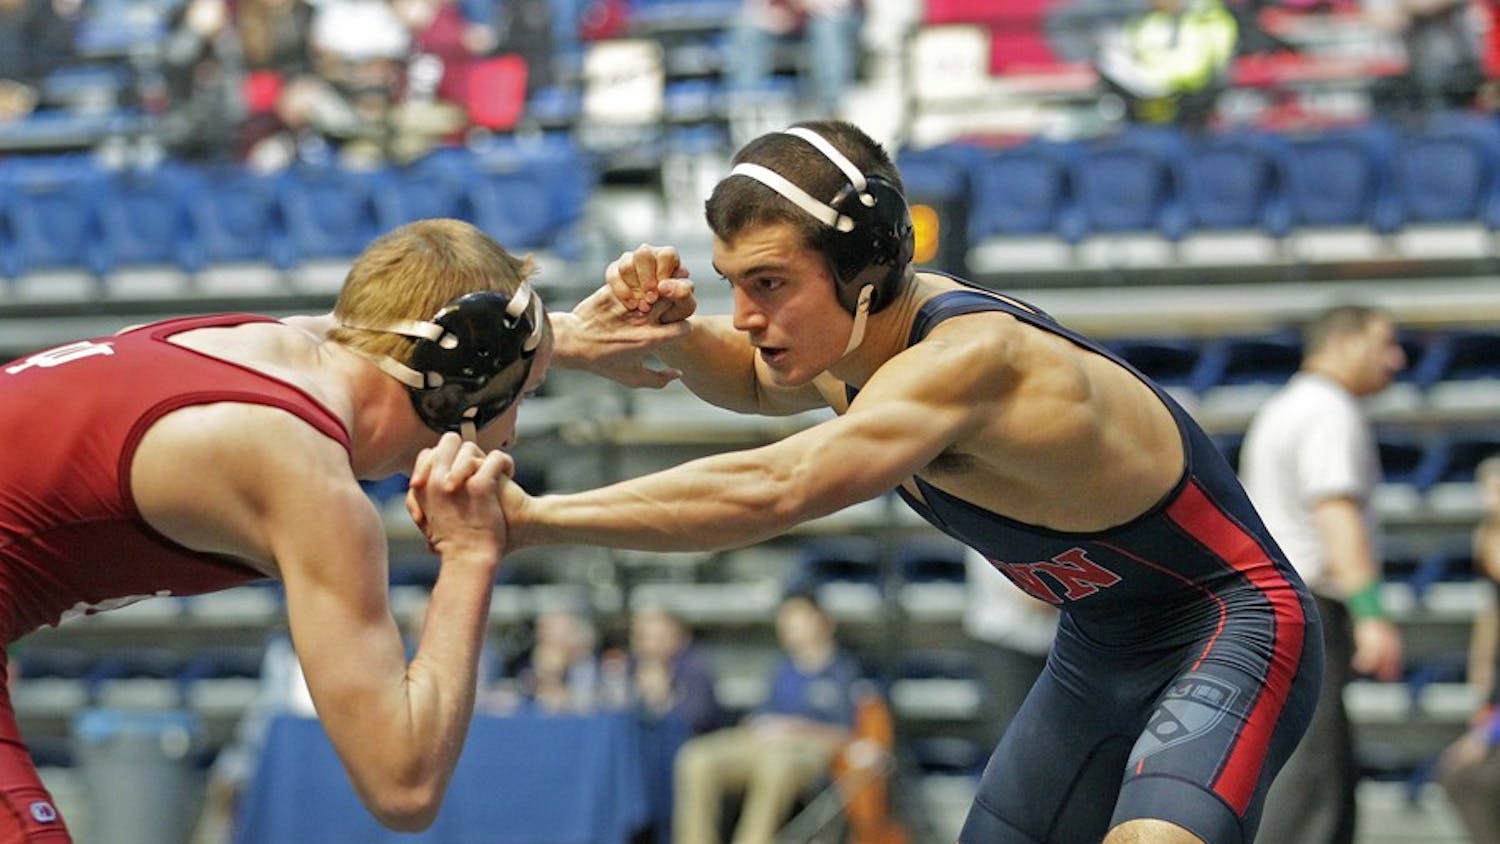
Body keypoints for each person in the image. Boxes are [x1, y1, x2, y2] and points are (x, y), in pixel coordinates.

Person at [475, 120, 1323, 844]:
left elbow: (777, 488)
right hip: (1101, 646)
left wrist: (532, 518)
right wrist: (653, 334)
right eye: (733, 285)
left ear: (866, 265)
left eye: (769, 284)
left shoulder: (970, 360)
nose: (744, 316)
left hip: (1229, 625)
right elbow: (755, 381)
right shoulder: (855, 346)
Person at [0, 216, 690, 840]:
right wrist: (471, 554)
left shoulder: (272, 346)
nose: (510, 431)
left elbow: (409, 337)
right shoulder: (303, 473)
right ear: (464, 385)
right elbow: (403, 786)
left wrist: (559, 339)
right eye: (524, 395)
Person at [1240, 304, 1407, 844]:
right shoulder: (1328, 410)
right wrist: (1371, 614)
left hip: (1278, 605)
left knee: (1312, 771)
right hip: (1307, 605)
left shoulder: (1287, 404)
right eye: (1384, 344)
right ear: (1342, 343)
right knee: (1312, 784)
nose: (1396, 359)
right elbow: (1335, 513)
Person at [672, 589, 860, 844]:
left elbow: (845, 734)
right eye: (785, 621)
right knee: (695, 758)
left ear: (823, 621)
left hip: (808, 749)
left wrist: (793, 728)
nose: (790, 628)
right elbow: (762, 713)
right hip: (763, 742)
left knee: (775, 766)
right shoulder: (782, 668)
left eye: (798, 619)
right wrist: (756, 724)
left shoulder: (843, 670)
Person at [1437, 453, 1500, 844]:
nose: (1488, 500)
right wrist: (1484, 721)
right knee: (1458, 774)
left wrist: (1489, 732)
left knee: (1472, 777)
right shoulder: (1486, 538)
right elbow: (1488, 630)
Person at [962, 546, 1059, 748]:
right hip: (1004, 642)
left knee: (1053, 734)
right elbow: (1037, 600)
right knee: (1012, 734)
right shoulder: (992, 534)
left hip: (1049, 643)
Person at [1093, 0, 1239, 128]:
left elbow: (1192, 74)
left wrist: (1144, 79)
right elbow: (1126, 49)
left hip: (1190, 114)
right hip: (1143, 111)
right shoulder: (1150, 21)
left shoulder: (1209, 22)